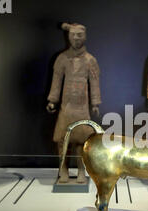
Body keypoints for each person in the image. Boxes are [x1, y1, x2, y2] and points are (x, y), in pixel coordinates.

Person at [46, 23, 101, 183]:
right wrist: (52, 100)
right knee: (63, 140)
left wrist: (95, 102)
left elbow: (95, 82)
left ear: (85, 37)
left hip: (82, 106)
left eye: (79, 35)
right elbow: (56, 80)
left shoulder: (90, 60)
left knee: (81, 140)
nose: (76, 39)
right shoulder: (62, 59)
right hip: (66, 106)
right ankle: (63, 169)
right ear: (68, 37)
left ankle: (81, 170)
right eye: (73, 35)